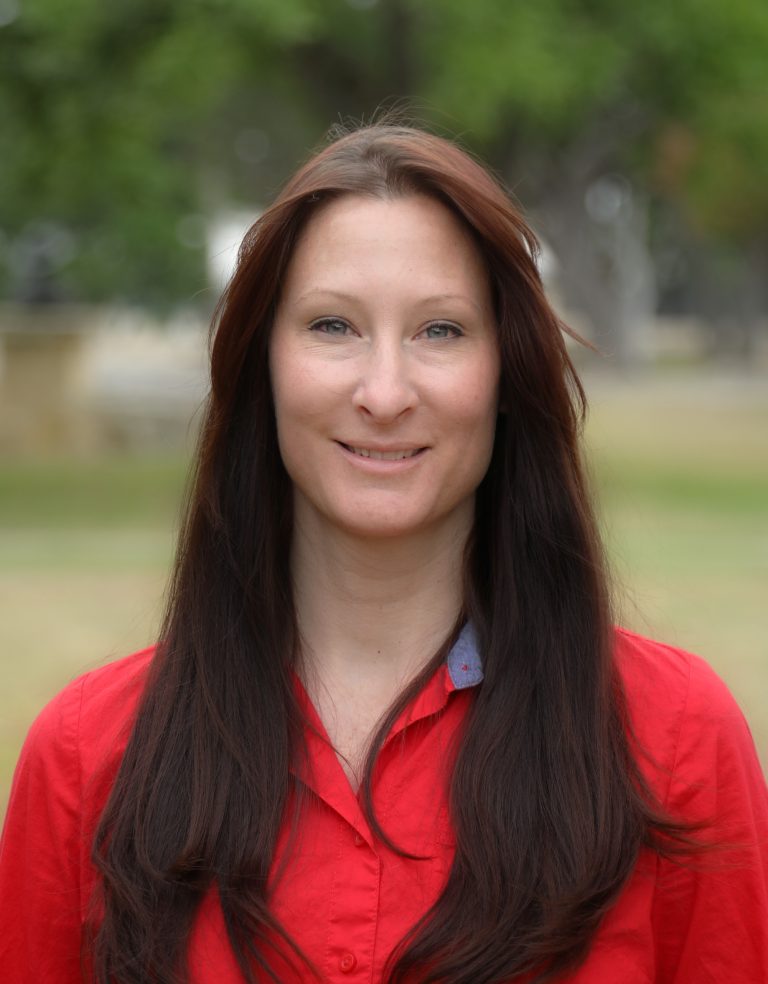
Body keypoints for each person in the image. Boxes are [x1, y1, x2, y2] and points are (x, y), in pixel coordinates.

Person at [1, 123, 767, 984]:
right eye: (333, 325)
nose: (385, 393)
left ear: (507, 374)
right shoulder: (84, 759)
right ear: (262, 367)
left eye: (440, 331)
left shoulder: (676, 744)